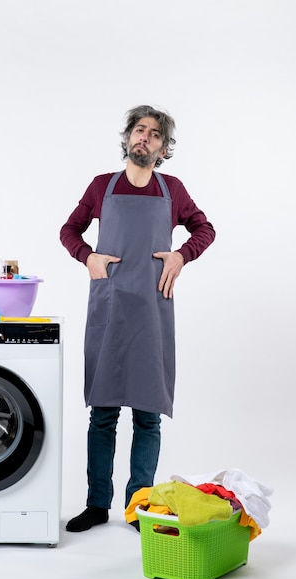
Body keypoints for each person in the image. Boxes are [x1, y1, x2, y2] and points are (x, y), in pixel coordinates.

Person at [59, 104, 215, 532]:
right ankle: (96, 504)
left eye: (155, 134)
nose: (145, 138)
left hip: (152, 307)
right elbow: (68, 231)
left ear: (164, 148)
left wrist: (182, 256)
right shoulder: (100, 187)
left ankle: (138, 506)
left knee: (147, 413)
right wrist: (86, 256)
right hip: (109, 305)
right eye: (139, 130)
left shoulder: (173, 190)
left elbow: (205, 229)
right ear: (128, 138)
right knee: (103, 412)